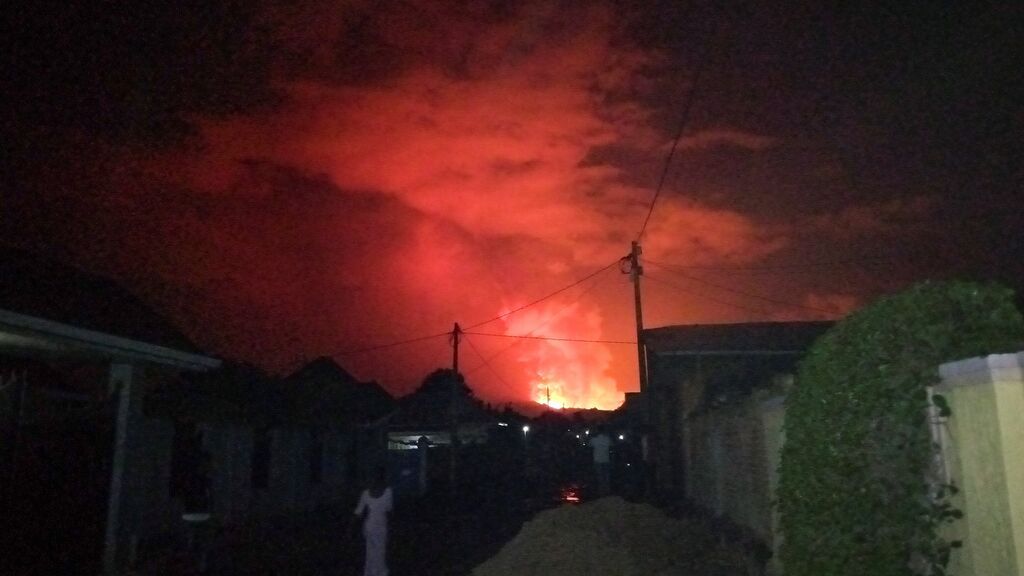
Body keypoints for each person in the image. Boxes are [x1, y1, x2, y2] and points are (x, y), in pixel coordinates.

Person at [353, 466, 394, 576]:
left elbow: (358, 511)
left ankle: (370, 572)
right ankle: (379, 572)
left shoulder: (366, 493)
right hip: (380, 525)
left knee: (370, 551)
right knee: (380, 550)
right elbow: (389, 509)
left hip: (370, 525)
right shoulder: (388, 492)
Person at [590, 428, 612, 496]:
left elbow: (589, 445)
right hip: (606, 459)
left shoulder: (594, 439)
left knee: (600, 476)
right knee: (606, 476)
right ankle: (607, 490)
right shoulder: (607, 439)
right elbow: (612, 445)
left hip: (597, 460)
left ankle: (601, 491)